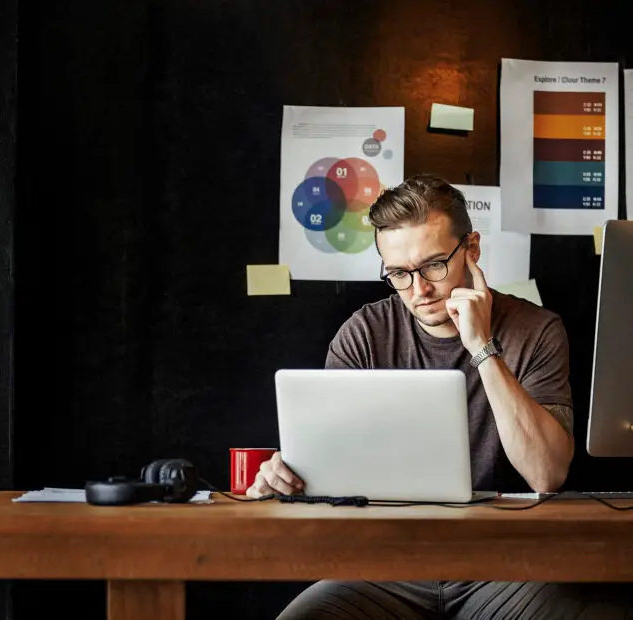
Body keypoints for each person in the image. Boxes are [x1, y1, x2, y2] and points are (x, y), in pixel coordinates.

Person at [247, 175, 633, 619]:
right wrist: (288, 475)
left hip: (506, 568)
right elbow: (331, 472)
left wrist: (482, 347)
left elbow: (546, 474)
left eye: (434, 265)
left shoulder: (537, 330)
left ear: (472, 248)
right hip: (384, 568)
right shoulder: (363, 334)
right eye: (398, 274)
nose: (419, 290)